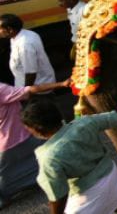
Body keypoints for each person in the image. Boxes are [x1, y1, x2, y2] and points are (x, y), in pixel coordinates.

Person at [23, 75, 117, 214]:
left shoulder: (48, 157)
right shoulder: (85, 122)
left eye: (28, 128)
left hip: (88, 195)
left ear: (38, 129)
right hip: (111, 177)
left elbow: (58, 195)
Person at [1, 79, 70, 208]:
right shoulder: (1, 89)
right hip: (19, 138)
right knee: (53, 154)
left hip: (5, 145)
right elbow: (31, 90)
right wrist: (62, 84)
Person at [0, 14, 55, 87]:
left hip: (38, 89)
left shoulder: (25, 45)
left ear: (10, 30)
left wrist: (26, 93)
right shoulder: (23, 34)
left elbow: (31, 73)